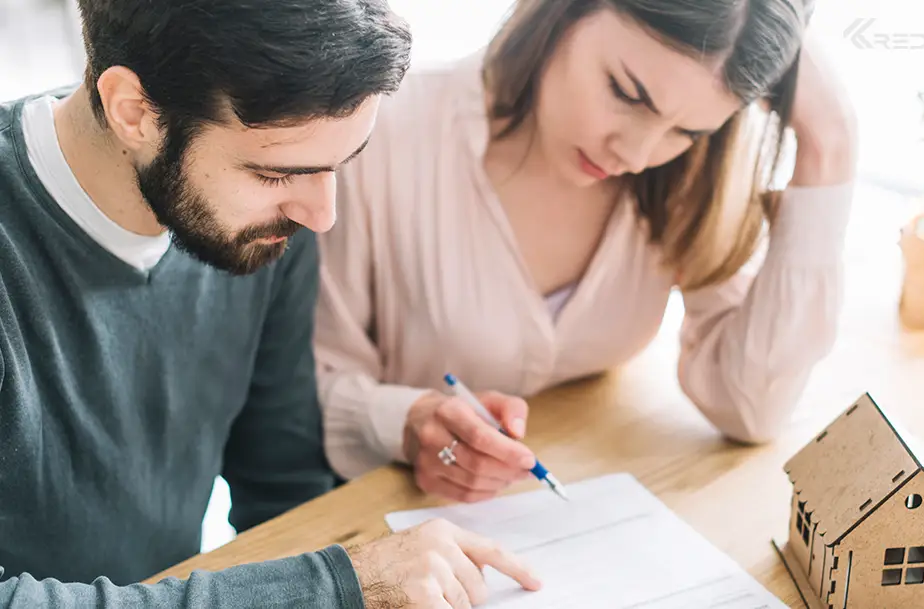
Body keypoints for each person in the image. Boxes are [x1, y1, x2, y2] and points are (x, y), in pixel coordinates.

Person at [0, 1, 540, 607]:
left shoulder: (259, 228)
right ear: (134, 111)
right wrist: (328, 591)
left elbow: (282, 483)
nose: (321, 215)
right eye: (276, 175)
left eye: (339, 166)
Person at [315, 0, 858, 504]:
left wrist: (830, 143)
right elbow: (302, 384)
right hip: (376, 516)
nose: (638, 153)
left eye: (688, 131)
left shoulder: (689, 177)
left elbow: (751, 406)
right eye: (627, 93)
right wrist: (405, 423)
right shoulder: (384, 135)